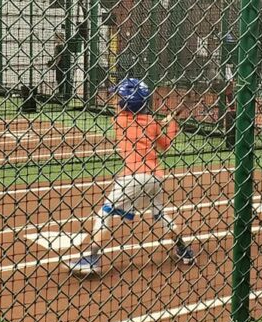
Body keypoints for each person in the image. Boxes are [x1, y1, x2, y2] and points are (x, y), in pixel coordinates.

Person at [66, 78, 195, 275]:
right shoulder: (151, 122)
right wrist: (171, 122)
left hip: (133, 177)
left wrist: (154, 122)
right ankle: (184, 250)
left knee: (105, 213)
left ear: (125, 103)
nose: (115, 100)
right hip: (155, 177)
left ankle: (91, 257)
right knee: (160, 214)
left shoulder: (119, 120)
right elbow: (165, 145)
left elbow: (129, 115)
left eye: (118, 97)